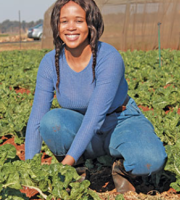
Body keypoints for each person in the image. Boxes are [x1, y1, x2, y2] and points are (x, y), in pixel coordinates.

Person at [25, 0, 167, 193]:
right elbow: (36, 119)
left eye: (78, 21)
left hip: (118, 121)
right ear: (56, 26)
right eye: (64, 21)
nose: (71, 27)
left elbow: (95, 117)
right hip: (79, 125)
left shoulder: (109, 57)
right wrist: (29, 170)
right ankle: (78, 168)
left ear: (91, 24)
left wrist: (62, 168)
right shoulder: (50, 62)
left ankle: (121, 169)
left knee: (151, 159)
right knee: (50, 121)